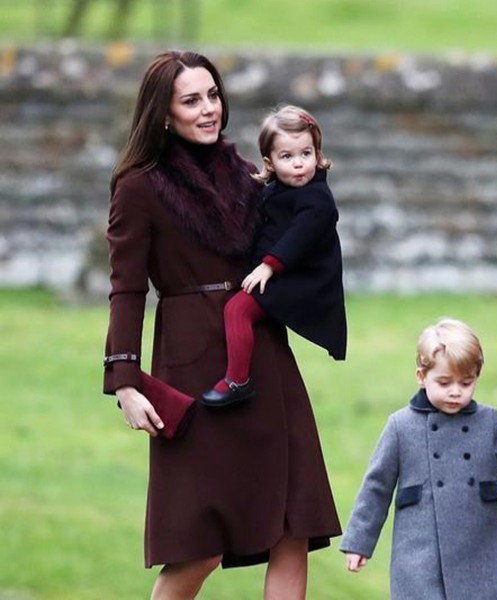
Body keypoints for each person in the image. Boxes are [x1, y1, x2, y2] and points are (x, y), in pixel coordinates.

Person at [103, 50, 341, 599]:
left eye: (212, 95)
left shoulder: (247, 173)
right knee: (199, 543)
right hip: (191, 367)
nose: (208, 109)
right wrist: (125, 382)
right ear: (163, 113)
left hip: (264, 355)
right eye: (191, 100)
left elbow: (306, 229)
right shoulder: (139, 186)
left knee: (291, 526)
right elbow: (127, 287)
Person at [339, 318, 497, 600]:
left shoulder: (487, 422)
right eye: (444, 382)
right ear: (421, 376)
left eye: (466, 383)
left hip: (481, 552)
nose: (456, 391)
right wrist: (359, 543)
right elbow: (376, 487)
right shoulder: (401, 426)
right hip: (420, 557)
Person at [200, 105, 346, 407]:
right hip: (283, 274)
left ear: (317, 154)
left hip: (303, 281)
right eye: (287, 157)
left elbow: (299, 237)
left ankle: (237, 381)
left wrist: (268, 266)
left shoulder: (317, 199)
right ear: (270, 162)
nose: (298, 164)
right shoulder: (274, 190)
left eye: (306, 154)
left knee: (237, 310)